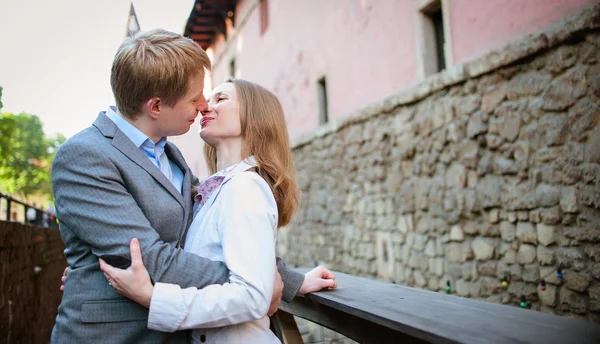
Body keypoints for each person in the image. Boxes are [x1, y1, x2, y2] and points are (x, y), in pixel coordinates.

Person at [51, 29, 335, 343]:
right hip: (115, 335)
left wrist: (288, 279)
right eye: (195, 97)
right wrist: (261, 281)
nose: (203, 105)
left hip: (177, 330)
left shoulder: (170, 155)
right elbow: (151, 257)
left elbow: (218, 231)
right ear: (156, 107)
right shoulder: (85, 155)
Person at [101, 77, 337, 343]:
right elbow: (230, 260)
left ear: (254, 116)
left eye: (220, 99)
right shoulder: (215, 190)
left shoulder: (246, 187)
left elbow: (252, 297)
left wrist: (154, 299)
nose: (204, 107)